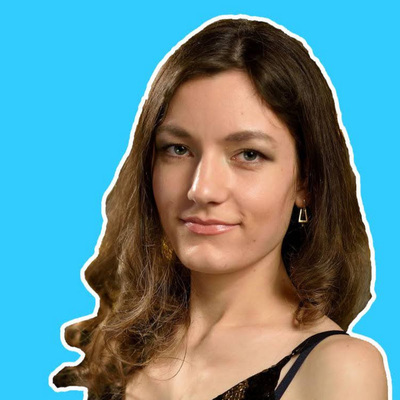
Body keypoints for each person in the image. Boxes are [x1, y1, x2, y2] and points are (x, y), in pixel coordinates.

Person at [53, 16, 389, 400]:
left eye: (249, 154)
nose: (202, 189)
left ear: (306, 183)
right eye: (178, 149)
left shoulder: (336, 370)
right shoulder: (121, 346)